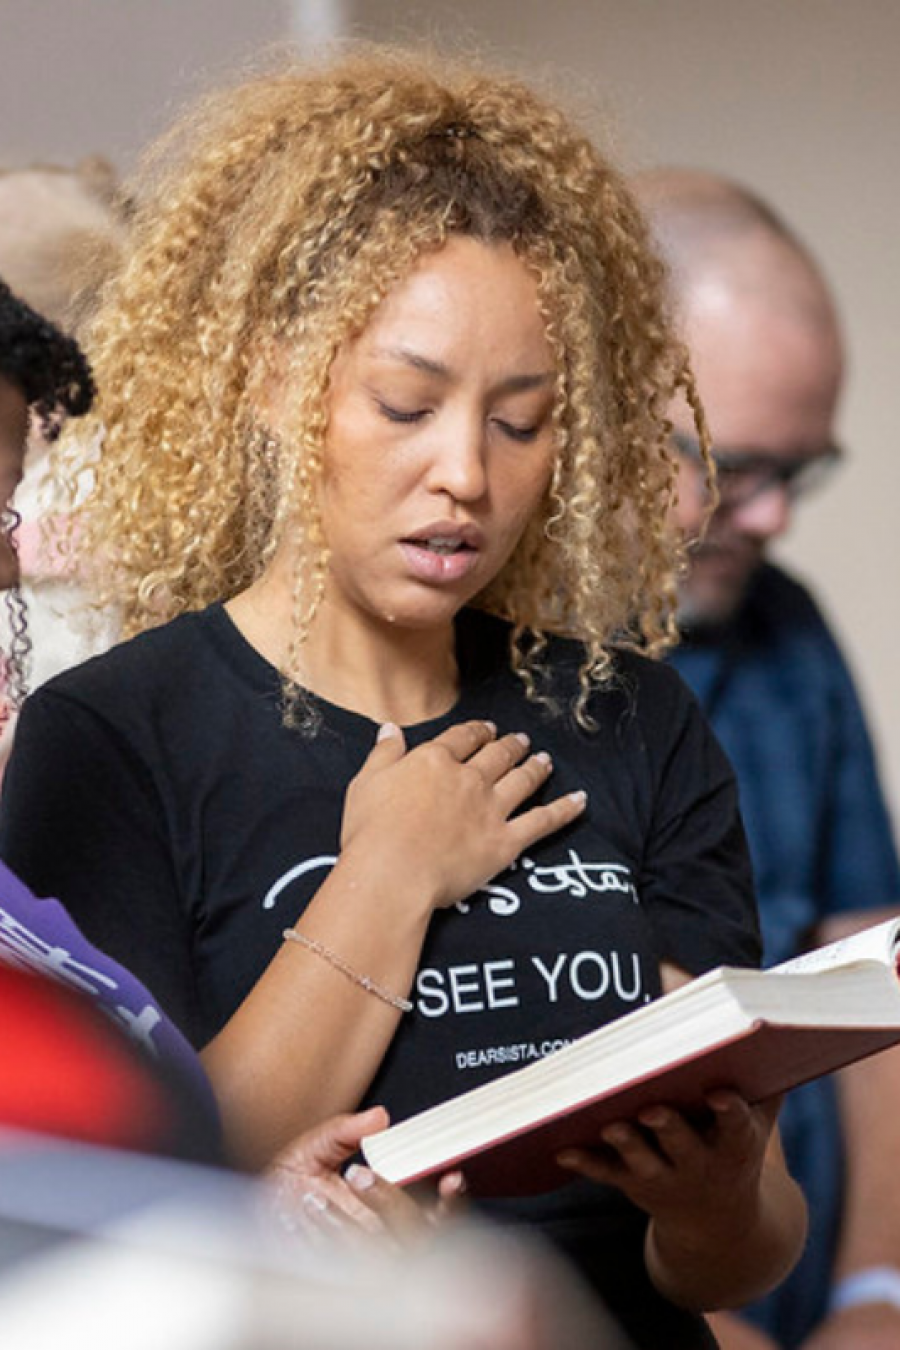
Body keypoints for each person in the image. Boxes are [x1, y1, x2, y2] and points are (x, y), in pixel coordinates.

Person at [0, 48, 806, 1350]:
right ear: (269, 375)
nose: (465, 477)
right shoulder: (112, 738)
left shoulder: (633, 717)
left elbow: (743, 1251)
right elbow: (136, 1184)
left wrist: (716, 1200)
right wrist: (385, 875)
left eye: (523, 420)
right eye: (405, 402)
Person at [634, 168, 900, 1350]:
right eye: (734, 469)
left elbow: (873, 980)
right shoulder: (484, 674)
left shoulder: (788, 628)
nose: (774, 518)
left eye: (800, 471)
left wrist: (874, 1295)